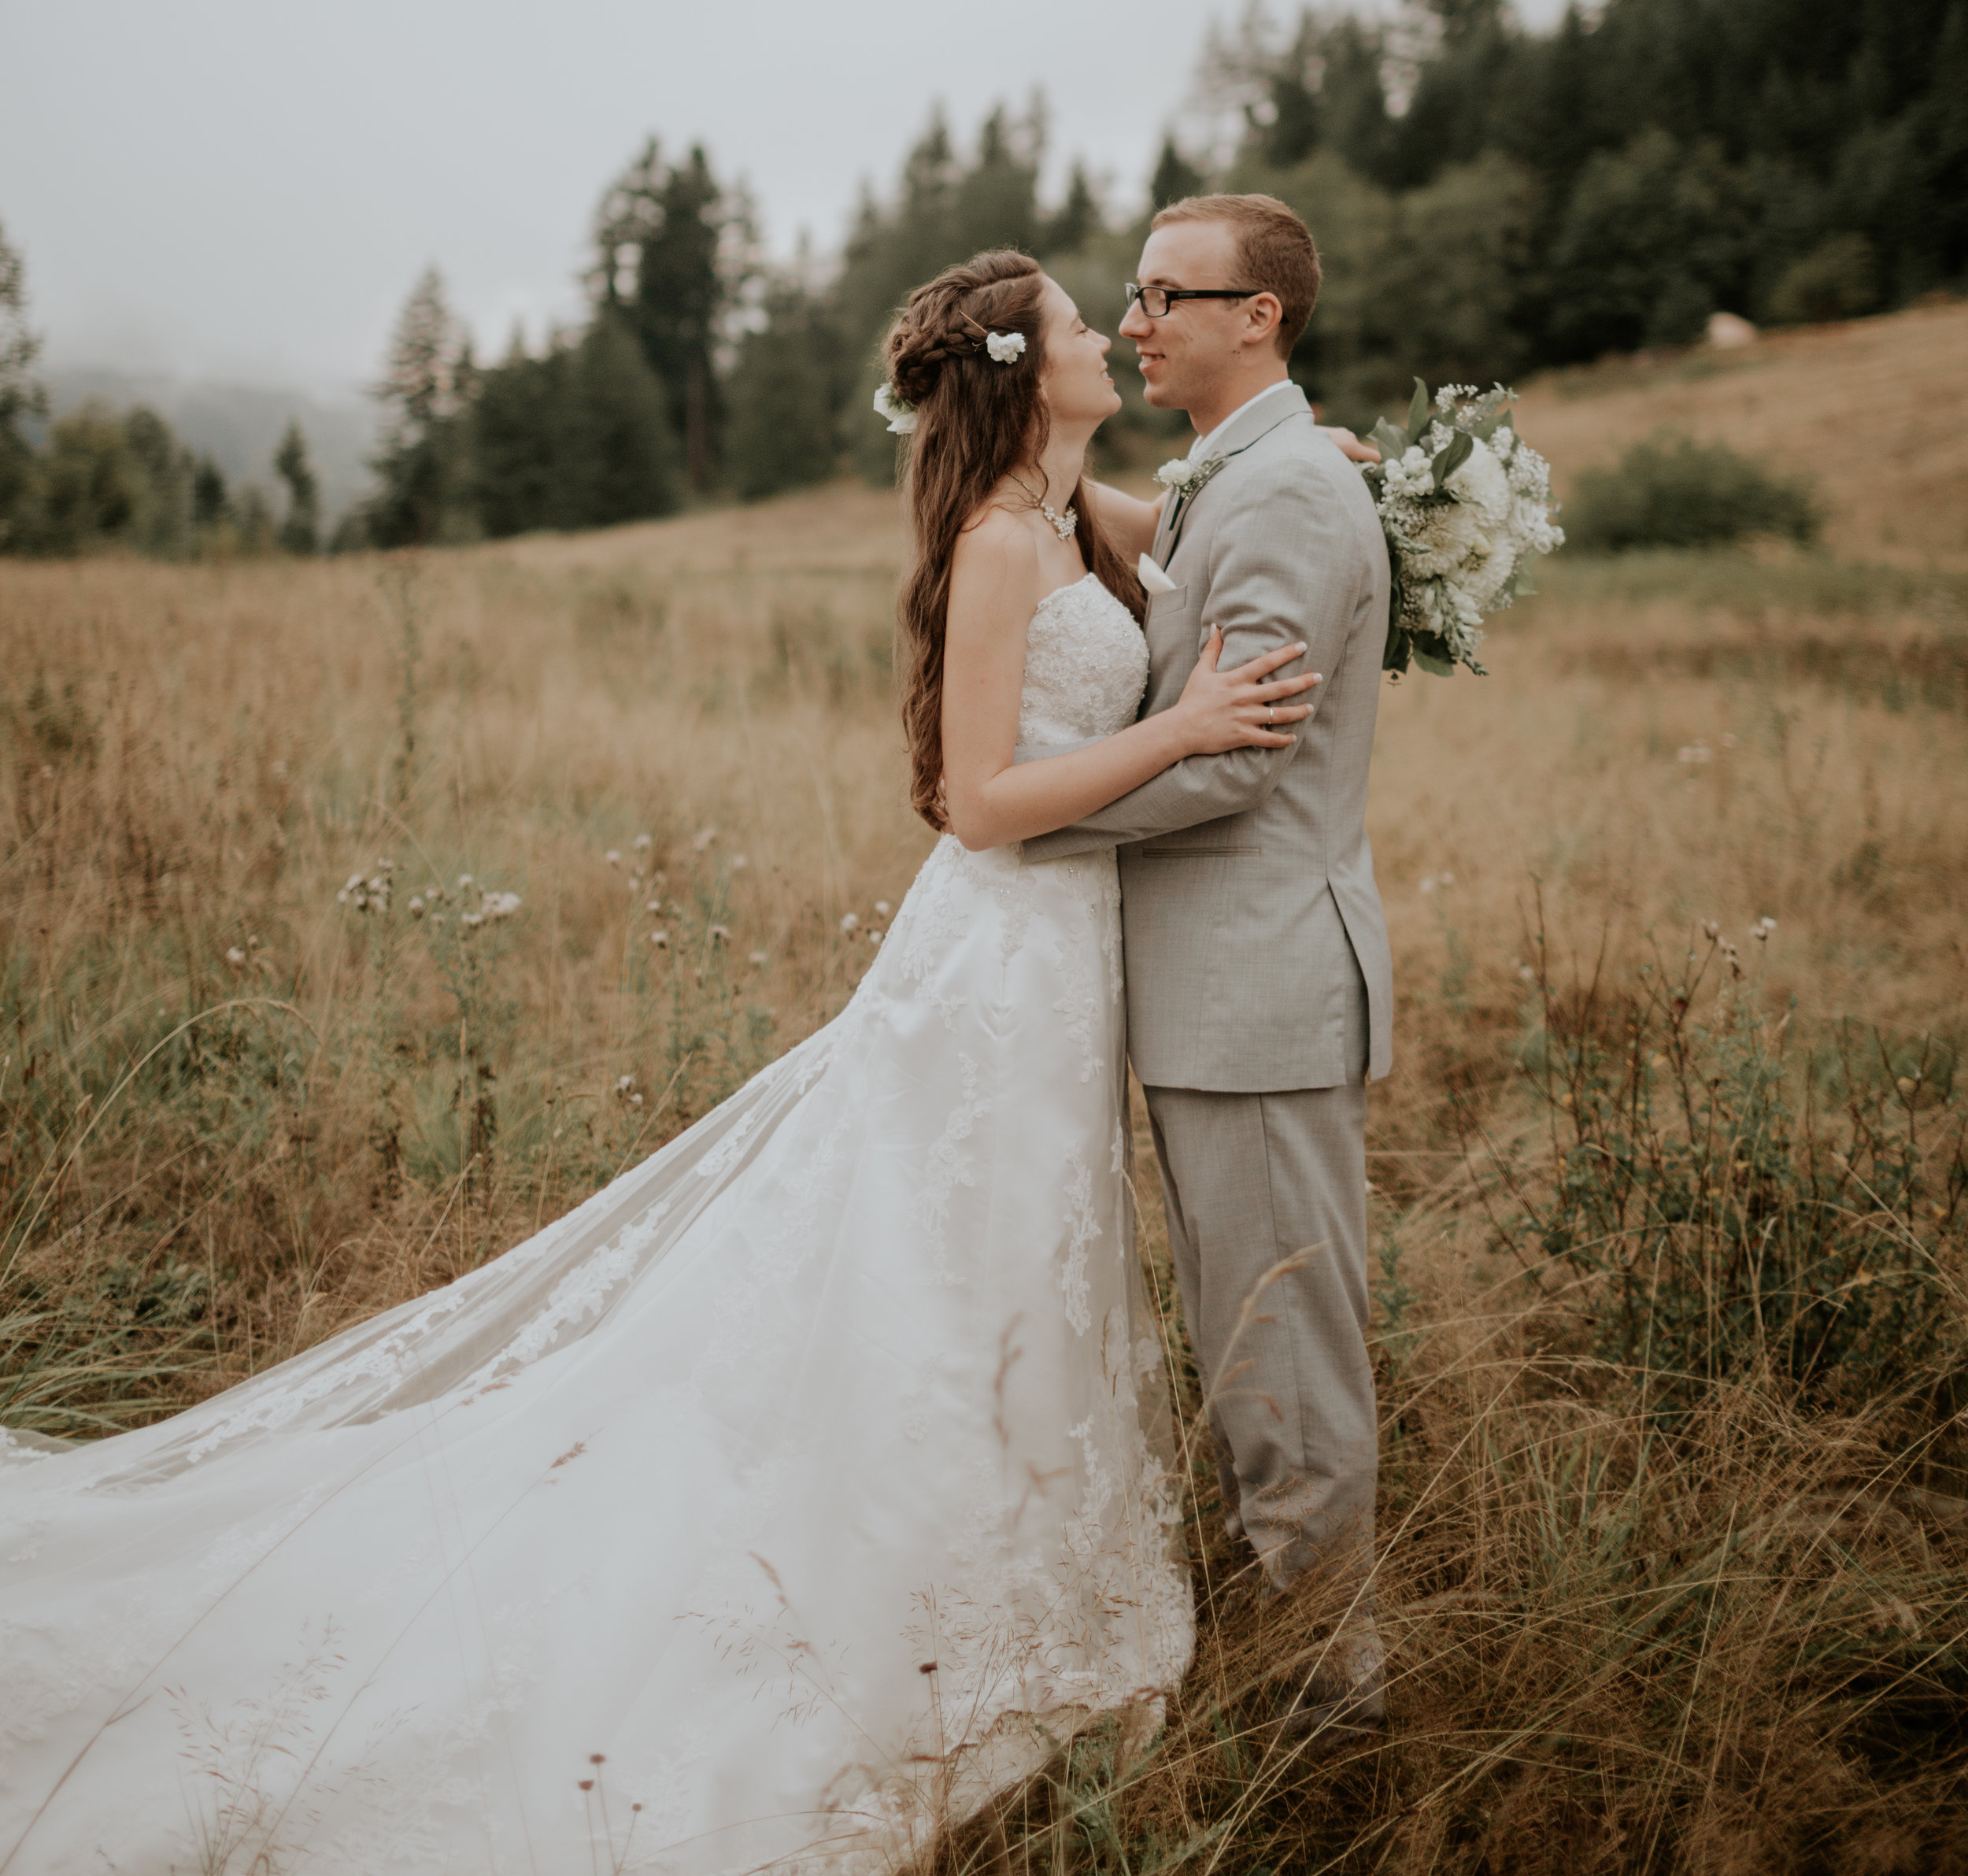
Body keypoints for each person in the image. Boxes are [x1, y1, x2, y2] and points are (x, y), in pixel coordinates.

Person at [0, 248, 1326, 1876]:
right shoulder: (993, 546)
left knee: (1011, 1277)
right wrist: (1183, 730)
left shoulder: (1072, 512)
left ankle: (1007, 1569)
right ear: (1015, 364)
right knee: (938, 1276)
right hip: (990, 964)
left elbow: (1192, 518)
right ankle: (883, 1593)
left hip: (1059, 971)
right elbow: (978, 801)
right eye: (1075, 320)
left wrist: (1310, 460)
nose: (1109, 334)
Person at [1040, 191, 1392, 1726]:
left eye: (1165, 296)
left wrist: (1025, 829)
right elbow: (1146, 540)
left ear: (1258, 315)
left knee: (1281, 1342)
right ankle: (1300, 1631)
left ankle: (1330, 1685)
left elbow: (1238, 758)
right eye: (1130, 296)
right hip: (1216, 985)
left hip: (1254, 991)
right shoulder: (1240, 475)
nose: (1135, 321)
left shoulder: (1291, 498)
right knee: (1246, 1323)